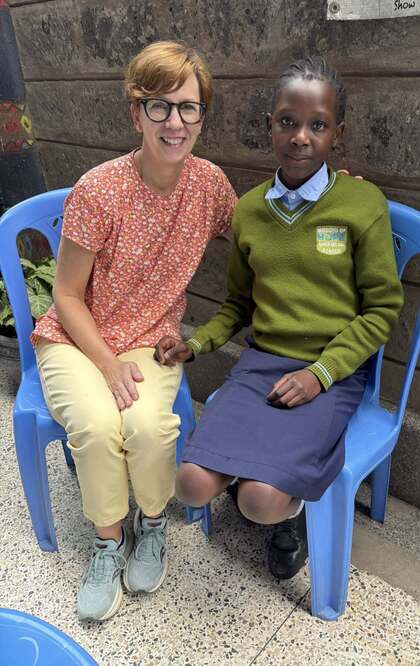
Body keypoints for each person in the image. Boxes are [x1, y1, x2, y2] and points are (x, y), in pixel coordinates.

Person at [156, 56, 404, 581]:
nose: (300, 137)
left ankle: (291, 515)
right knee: (190, 486)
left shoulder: (362, 204)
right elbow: (239, 304)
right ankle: (259, 472)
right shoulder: (249, 210)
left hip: (331, 370)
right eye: (288, 122)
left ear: (337, 133)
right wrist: (197, 343)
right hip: (262, 363)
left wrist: (321, 374)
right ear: (270, 124)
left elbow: (382, 309)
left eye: (318, 125)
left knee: (260, 501)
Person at [31, 41, 237, 621]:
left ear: (202, 116)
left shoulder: (209, 185)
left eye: (189, 107)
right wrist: (106, 363)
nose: (175, 122)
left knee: (148, 425)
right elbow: (66, 295)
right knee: (98, 426)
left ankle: (151, 524)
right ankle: (107, 542)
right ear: (136, 113)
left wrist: (327, 199)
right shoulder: (99, 189)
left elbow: (260, 231)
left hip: (151, 340)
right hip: (76, 338)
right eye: (160, 106)